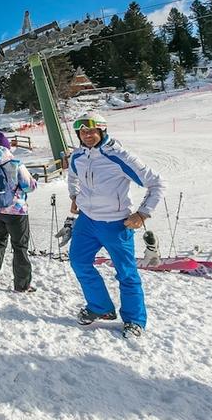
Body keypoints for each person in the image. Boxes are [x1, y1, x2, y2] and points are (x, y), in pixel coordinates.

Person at [64, 112, 165, 339]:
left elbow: (157, 183)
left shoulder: (119, 155)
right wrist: (74, 196)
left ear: (102, 130)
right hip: (86, 222)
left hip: (115, 223)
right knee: (79, 262)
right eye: (83, 132)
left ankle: (134, 320)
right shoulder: (77, 156)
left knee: (126, 274)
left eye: (92, 131)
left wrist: (142, 214)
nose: (87, 135)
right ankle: (100, 307)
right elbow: (72, 176)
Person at [0, 130, 37, 293]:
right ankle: (22, 285)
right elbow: (28, 186)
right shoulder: (15, 164)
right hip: (16, 210)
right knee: (19, 246)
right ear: (7, 148)